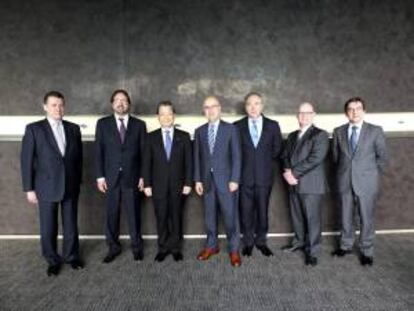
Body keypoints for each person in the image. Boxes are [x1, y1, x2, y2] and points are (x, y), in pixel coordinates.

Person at [21, 91, 83, 276]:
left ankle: (71, 257)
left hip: (70, 185)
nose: (58, 108)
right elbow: (26, 161)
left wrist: (78, 181)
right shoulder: (34, 129)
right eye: (54, 105)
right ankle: (52, 260)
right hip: (45, 186)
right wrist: (29, 188)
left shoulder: (73, 128)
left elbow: (78, 158)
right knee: (48, 226)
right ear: (45, 107)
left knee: (71, 224)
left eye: (61, 105)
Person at [331, 97, 388, 266]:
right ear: (346, 112)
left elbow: (383, 158)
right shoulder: (338, 131)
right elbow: (335, 158)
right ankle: (346, 245)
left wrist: (370, 175)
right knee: (346, 216)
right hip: (344, 180)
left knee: (366, 217)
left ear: (364, 111)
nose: (355, 112)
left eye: (358, 108)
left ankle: (366, 250)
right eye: (351, 109)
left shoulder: (375, 131)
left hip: (367, 182)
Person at [95, 89, 146, 263]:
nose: (120, 103)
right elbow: (98, 152)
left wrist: (142, 176)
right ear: (112, 104)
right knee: (111, 215)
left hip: (132, 178)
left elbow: (143, 154)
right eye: (117, 100)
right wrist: (100, 177)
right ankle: (113, 248)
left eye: (124, 100)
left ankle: (137, 248)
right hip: (110, 179)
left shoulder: (139, 125)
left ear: (128, 104)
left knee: (134, 215)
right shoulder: (102, 124)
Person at [193, 96, 242, 267]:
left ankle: (234, 250)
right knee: (209, 217)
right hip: (207, 181)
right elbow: (197, 158)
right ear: (204, 111)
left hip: (227, 182)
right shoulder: (199, 131)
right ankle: (211, 246)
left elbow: (237, 156)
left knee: (230, 217)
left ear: (219, 109)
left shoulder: (231, 129)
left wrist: (235, 179)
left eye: (214, 106)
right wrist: (198, 180)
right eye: (207, 107)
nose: (211, 110)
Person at [143, 101, 192, 262]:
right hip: (158, 187)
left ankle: (176, 248)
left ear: (174, 116)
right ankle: (163, 248)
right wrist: (148, 184)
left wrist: (188, 183)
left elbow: (188, 163)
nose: (166, 117)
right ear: (158, 117)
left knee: (176, 217)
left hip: (179, 186)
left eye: (169, 113)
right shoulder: (150, 138)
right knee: (161, 217)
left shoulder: (184, 137)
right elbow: (146, 163)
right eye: (162, 114)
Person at [234, 92, 282, 257]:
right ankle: (248, 242)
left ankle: (261, 242)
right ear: (245, 107)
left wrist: (262, 162)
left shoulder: (273, 125)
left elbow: (277, 149)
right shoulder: (237, 126)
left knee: (262, 212)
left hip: (264, 177)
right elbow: (234, 153)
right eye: (249, 104)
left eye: (256, 103)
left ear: (262, 106)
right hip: (244, 178)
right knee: (245, 212)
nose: (253, 107)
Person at [281, 102, 329, 266]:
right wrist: (287, 172)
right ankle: (298, 243)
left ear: (313, 115)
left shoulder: (320, 135)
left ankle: (313, 251)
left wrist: (294, 173)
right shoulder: (292, 135)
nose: (304, 116)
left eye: (307, 113)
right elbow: (285, 156)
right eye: (301, 113)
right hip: (293, 183)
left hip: (311, 184)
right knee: (297, 216)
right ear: (297, 116)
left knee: (312, 219)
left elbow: (315, 158)